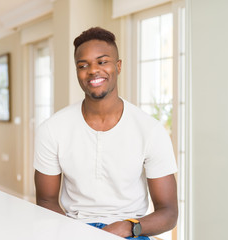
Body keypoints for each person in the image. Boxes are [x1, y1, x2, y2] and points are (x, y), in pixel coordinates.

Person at [34, 27, 178, 239]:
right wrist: (74, 233)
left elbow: (169, 212)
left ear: (118, 66)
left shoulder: (150, 130)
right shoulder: (52, 129)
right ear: (77, 72)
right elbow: (46, 201)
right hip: (74, 228)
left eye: (102, 62)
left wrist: (127, 227)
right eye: (83, 65)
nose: (93, 70)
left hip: (131, 230)